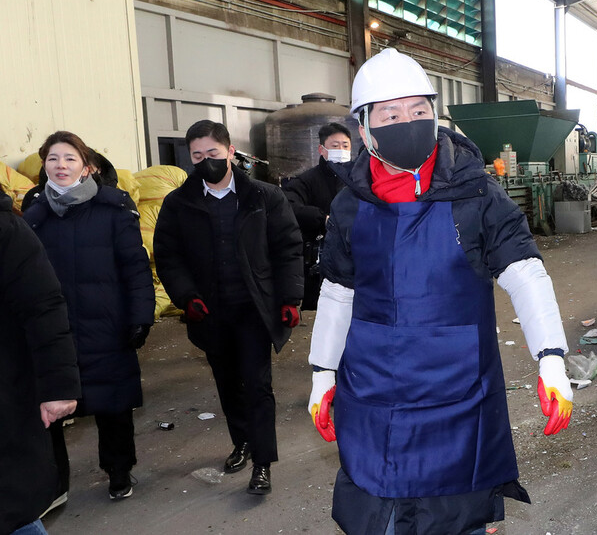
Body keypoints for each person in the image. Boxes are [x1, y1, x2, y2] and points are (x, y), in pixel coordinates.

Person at [306, 48, 573, 534]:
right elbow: (338, 292)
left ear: (435, 115)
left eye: (419, 110)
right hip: (372, 389)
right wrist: (323, 373)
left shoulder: (474, 191)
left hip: (458, 391)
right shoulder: (350, 204)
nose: (407, 122)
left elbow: (524, 271)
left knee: (456, 514)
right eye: (390, 114)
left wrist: (550, 356)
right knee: (379, 511)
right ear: (365, 127)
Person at [154, 120, 303, 495]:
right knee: (228, 384)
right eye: (198, 156)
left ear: (231, 152)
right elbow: (168, 257)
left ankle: (263, 463)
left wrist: (289, 298)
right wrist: (188, 298)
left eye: (214, 154)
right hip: (211, 312)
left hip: (254, 309)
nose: (207, 162)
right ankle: (243, 441)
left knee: (257, 385)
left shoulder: (264, 197)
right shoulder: (179, 203)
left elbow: (287, 248)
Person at [23, 131, 154, 502]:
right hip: (53, 328)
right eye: (53, 159)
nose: (60, 166)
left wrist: (140, 316)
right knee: (49, 404)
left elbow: (135, 268)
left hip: (106, 323)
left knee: (112, 402)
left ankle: (118, 470)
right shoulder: (33, 213)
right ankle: (54, 483)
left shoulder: (114, 207)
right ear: (44, 165)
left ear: (86, 166)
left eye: (69, 159)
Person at [0, 192, 81, 535]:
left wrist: (59, 387)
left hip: (6, 390)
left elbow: (43, 307)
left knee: (11, 507)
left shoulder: (7, 230)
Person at [282, 122, 353, 311]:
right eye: (335, 146)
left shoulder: (359, 177)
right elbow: (288, 205)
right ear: (322, 150)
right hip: (323, 255)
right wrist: (323, 219)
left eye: (345, 146)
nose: (341, 150)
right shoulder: (308, 180)